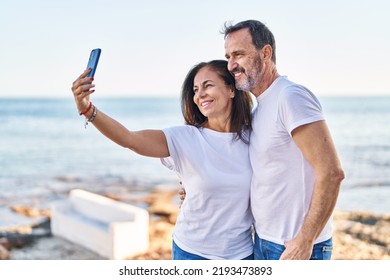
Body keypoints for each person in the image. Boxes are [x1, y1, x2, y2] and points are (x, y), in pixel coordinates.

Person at [71, 60, 254, 260]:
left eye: (207, 85)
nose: (199, 94)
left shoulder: (255, 136)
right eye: (195, 89)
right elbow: (129, 139)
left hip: (242, 255)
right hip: (193, 253)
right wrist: (88, 109)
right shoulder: (184, 138)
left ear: (231, 90)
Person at [222, 20, 345, 260]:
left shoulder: (290, 96)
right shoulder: (260, 109)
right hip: (263, 241)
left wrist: (305, 240)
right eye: (228, 56)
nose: (231, 65)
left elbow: (332, 172)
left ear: (265, 53)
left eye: (238, 54)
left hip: (293, 247)